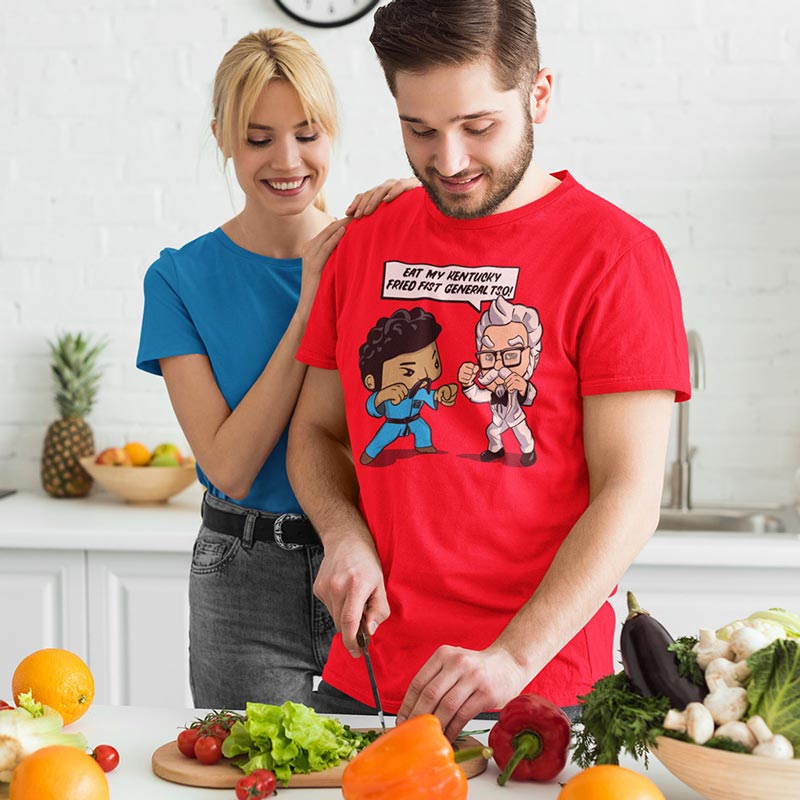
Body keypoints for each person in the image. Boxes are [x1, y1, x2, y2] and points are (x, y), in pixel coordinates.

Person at [286, 0, 691, 739]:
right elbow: (316, 433)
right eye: (420, 130)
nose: (449, 161)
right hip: (365, 683)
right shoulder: (368, 239)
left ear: (538, 94)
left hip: (541, 693)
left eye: (478, 128)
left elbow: (631, 495)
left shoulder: (617, 257)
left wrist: (511, 657)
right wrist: (341, 532)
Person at [136, 27, 418, 709]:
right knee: (251, 773)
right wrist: (308, 311)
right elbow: (229, 466)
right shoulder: (180, 279)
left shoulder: (376, 253)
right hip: (243, 576)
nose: (287, 160)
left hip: (374, 568)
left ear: (333, 132)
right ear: (223, 138)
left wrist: (427, 216)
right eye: (258, 138)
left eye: (308, 133)